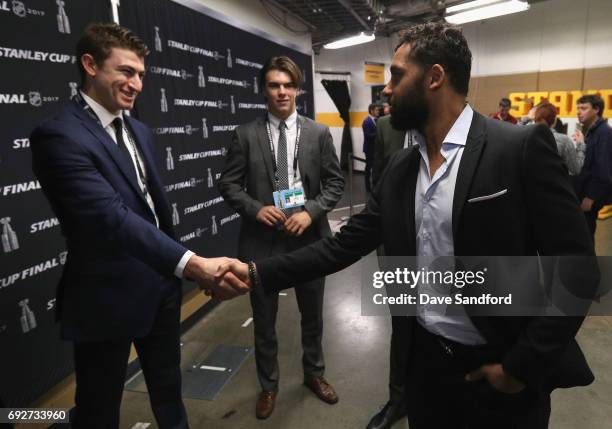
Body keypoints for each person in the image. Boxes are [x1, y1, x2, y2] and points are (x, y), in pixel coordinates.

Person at [219, 22, 596, 429]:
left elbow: (577, 266)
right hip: (426, 367)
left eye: (397, 75)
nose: (386, 88)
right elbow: (342, 245)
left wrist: (520, 368)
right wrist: (255, 272)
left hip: (499, 370)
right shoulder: (401, 166)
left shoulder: (518, 149)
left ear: (434, 77)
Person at [29, 23, 248, 429]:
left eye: (142, 75)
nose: (136, 84)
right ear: (90, 65)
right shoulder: (58, 136)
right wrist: (194, 264)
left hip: (161, 288)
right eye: (126, 72)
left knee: (169, 389)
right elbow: (110, 217)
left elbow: (150, 210)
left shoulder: (140, 131)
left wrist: (175, 269)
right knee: (99, 407)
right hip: (105, 298)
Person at [218, 56, 344, 419]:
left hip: (309, 239)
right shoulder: (245, 135)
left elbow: (334, 182)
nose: (282, 91)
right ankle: (269, 385)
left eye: (288, 84)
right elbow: (228, 183)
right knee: (264, 320)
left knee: (313, 316)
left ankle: (314, 374)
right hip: (262, 242)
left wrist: (311, 212)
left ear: (298, 90)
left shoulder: (318, 133)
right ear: (264, 90)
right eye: (274, 85)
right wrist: (255, 208)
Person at [368, 114, 409, 429]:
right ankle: (399, 400)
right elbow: (379, 179)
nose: (389, 89)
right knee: (404, 325)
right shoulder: (385, 126)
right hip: (397, 246)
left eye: (398, 76)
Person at [573, 94, 612, 238]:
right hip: (583, 193)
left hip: (589, 198)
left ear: (596, 109)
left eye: (583, 108)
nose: (578, 111)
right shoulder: (590, 131)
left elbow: (604, 170)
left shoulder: (604, 133)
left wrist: (591, 197)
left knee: (585, 239)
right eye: (578, 108)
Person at [534, 102, 580, 175]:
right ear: (555, 120)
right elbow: (576, 169)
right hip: (552, 184)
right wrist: (581, 145)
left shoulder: (525, 136)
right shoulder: (563, 140)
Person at [362, 103, 380, 192]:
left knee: (375, 168)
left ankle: (374, 185)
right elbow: (368, 135)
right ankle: (367, 187)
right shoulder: (366, 121)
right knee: (368, 168)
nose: (378, 111)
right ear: (371, 111)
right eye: (376, 110)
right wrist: (379, 134)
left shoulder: (377, 120)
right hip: (369, 149)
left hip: (375, 149)